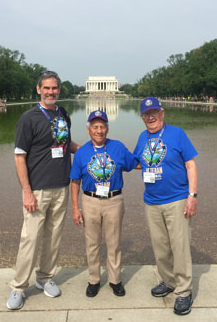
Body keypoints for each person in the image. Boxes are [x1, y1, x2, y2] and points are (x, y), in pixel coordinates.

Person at [6, 70, 79, 310]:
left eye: (54, 88)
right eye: (46, 88)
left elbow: (65, 144)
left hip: (61, 185)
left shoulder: (63, 114)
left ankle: (45, 278)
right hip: (37, 189)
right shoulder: (29, 118)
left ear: (59, 90)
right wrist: (26, 190)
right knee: (30, 238)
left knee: (53, 237)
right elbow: (19, 157)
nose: (51, 92)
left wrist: (92, 150)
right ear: (38, 89)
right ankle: (18, 286)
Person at [134, 97, 199, 316]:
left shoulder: (177, 133)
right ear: (142, 117)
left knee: (179, 247)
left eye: (154, 112)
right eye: (146, 114)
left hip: (177, 198)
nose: (150, 117)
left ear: (162, 113)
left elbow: (190, 165)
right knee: (160, 247)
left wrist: (192, 195)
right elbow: (137, 162)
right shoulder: (143, 137)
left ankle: (183, 291)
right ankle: (169, 281)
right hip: (152, 201)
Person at [70, 110, 138, 298]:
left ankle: (115, 280)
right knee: (92, 243)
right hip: (90, 200)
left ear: (107, 129)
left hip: (114, 200)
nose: (99, 130)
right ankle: (93, 279)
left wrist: (163, 165)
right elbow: (75, 181)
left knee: (114, 242)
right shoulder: (82, 152)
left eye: (102, 127)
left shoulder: (117, 147)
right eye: (95, 127)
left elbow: (135, 163)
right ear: (88, 129)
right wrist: (75, 208)